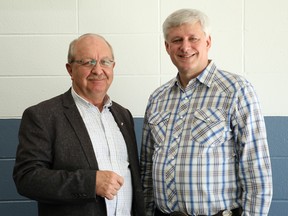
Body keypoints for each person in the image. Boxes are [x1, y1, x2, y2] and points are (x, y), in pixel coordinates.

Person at [140, 8, 272, 216]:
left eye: (193, 38)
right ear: (167, 47)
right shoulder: (158, 98)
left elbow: (256, 171)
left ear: (208, 42)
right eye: (176, 40)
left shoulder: (236, 90)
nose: (185, 47)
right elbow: (146, 169)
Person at [13, 33, 146, 216]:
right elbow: (27, 178)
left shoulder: (123, 114)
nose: (98, 70)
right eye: (87, 62)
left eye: (105, 62)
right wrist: (90, 183)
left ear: (113, 67)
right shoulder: (42, 116)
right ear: (70, 69)